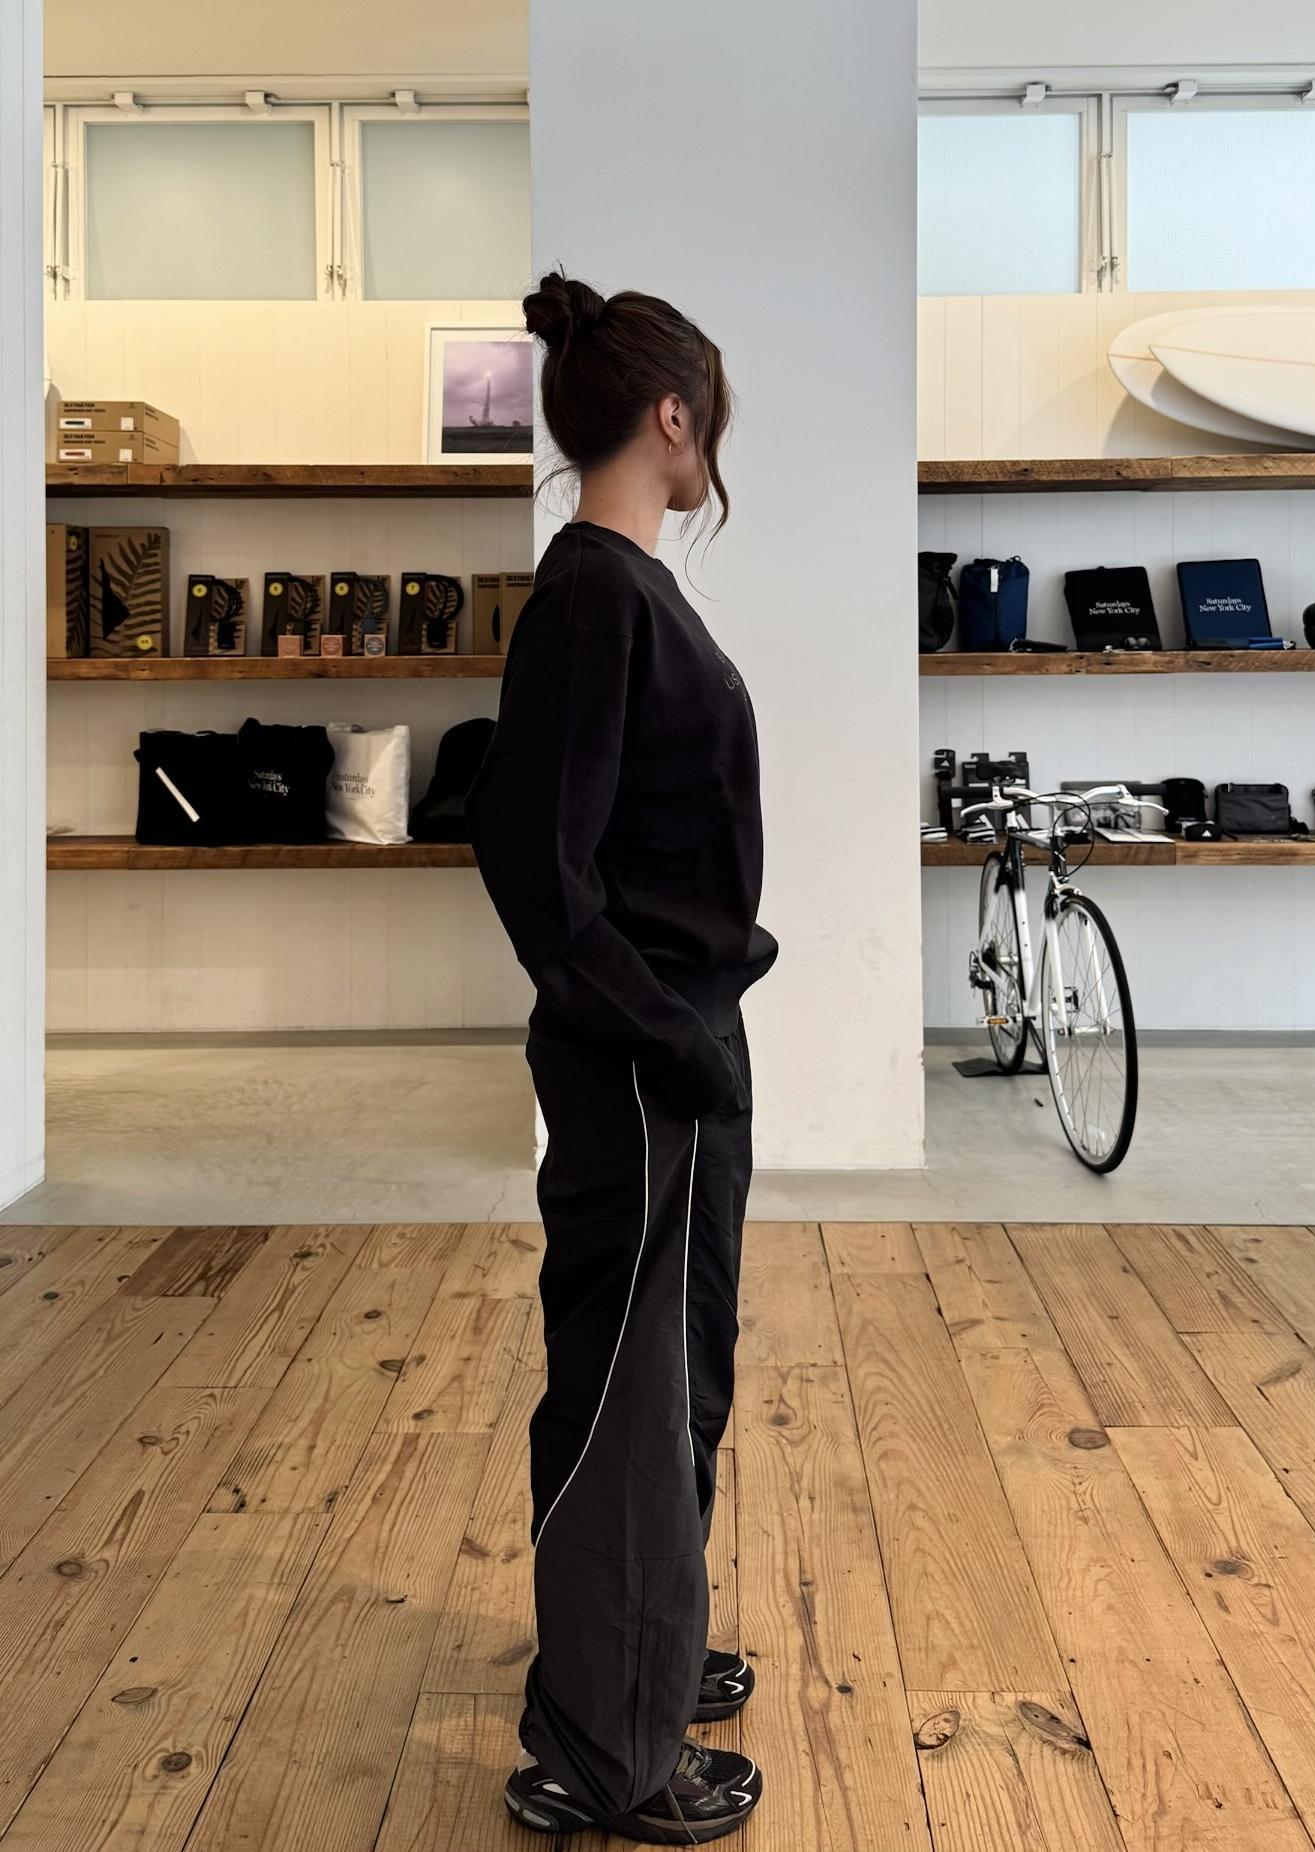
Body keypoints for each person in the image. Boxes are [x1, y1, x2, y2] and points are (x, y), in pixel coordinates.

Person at [467, 268, 777, 1845]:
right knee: (627, 1397)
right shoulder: (595, 595)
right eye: (710, 414)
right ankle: (605, 1752)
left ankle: (640, 1656)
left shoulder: (619, 587)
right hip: (642, 1059)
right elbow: (538, 870)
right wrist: (668, 1038)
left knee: (676, 1373)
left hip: (672, 1045)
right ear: (670, 414)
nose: (716, 440)